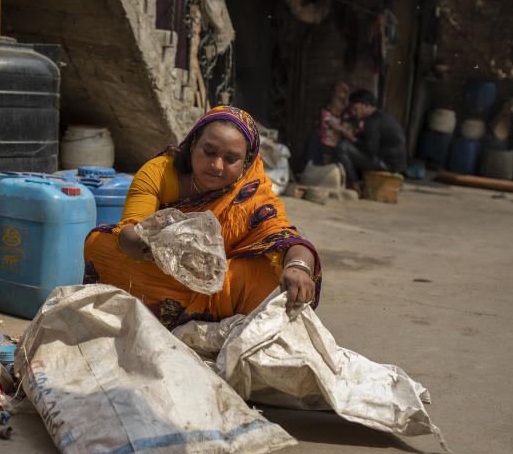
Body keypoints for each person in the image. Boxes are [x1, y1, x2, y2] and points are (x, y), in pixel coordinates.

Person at [83, 106, 321, 329]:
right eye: (209, 152)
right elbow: (129, 231)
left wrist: (297, 267)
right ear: (194, 143)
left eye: (231, 159)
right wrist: (147, 244)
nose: (216, 166)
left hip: (223, 282)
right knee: (100, 246)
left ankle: (183, 311)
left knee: (274, 279)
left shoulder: (253, 190)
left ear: (246, 162)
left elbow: (286, 238)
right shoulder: (159, 173)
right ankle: (195, 312)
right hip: (163, 270)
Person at [334, 89, 406, 194]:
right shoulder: (380, 116)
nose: (354, 113)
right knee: (350, 145)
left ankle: (355, 185)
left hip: (387, 165)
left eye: (355, 109)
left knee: (342, 146)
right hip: (392, 163)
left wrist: (352, 138)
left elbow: (371, 151)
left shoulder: (372, 121)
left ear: (366, 106)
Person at [316, 81, 354, 164]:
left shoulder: (342, 113)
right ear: (329, 106)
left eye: (342, 91)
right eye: (336, 91)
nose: (338, 113)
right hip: (327, 145)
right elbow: (332, 125)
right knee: (326, 162)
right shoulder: (326, 113)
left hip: (336, 145)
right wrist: (344, 130)